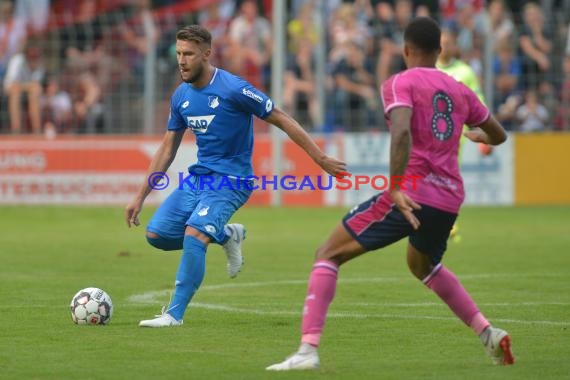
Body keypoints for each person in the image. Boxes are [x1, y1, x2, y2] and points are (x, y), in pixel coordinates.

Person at [267, 17, 514, 371]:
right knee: (422, 265)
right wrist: (479, 137)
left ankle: (307, 350)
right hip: (449, 198)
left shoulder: (399, 83)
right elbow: (499, 135)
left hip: (411, 193)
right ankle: (488, 332)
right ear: (440, 51)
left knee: (328, 253)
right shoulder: (460, 88)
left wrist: (395, 186)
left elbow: (400, 132)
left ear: (405, 49)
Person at [124, 25, 346, 328]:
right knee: (157, 235)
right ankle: (227, 234)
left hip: (232, 181)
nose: (182, 61)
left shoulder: (233, 88)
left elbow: (280, 117)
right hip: (200, 179)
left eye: (188, 54)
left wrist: (320, 158)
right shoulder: (181, 96)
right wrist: (140, 196)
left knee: (194, 236)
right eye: (178, 54)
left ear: (206, 53)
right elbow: (167, 149)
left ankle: (173, 315)